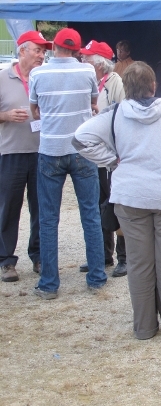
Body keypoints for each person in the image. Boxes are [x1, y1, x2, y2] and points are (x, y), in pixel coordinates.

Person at [73, 62, 161, 339]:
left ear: (125, 87)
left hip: (131, 198)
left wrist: (112, 160)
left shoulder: (115, 114)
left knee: (139, 264)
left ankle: (144, 328)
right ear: (153, 85)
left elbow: (80, 138)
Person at [29, 28, 107, 299]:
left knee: (49, 219)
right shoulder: (87, 72)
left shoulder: (38, 73)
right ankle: (96, 277)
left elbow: (34, 110)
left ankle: (49, 283)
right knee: (90, 214)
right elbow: (94, 103)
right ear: (76, 50)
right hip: (81, 150)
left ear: (54, 47)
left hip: (51, 149)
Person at [0, 30, 51, 283]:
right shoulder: (2, 78)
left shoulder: (45, 78)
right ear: (22, 51)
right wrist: (5, 116)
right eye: (38, 50)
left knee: (40, 207)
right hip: (11, 152)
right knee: (9, 207)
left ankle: (39, 256)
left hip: (42, 152)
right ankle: (6, 260)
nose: (42, 56)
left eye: (44, 52)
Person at [79, 40, 127, 278]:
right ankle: (102, 255)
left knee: (115, 205)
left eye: (86, 58)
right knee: (98, 206)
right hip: (93, 156)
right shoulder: (88, 82)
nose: (82, 61)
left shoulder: (114, 82)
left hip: (110, 157)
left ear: (99, 63)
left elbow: (124, 113)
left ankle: (124, 257)